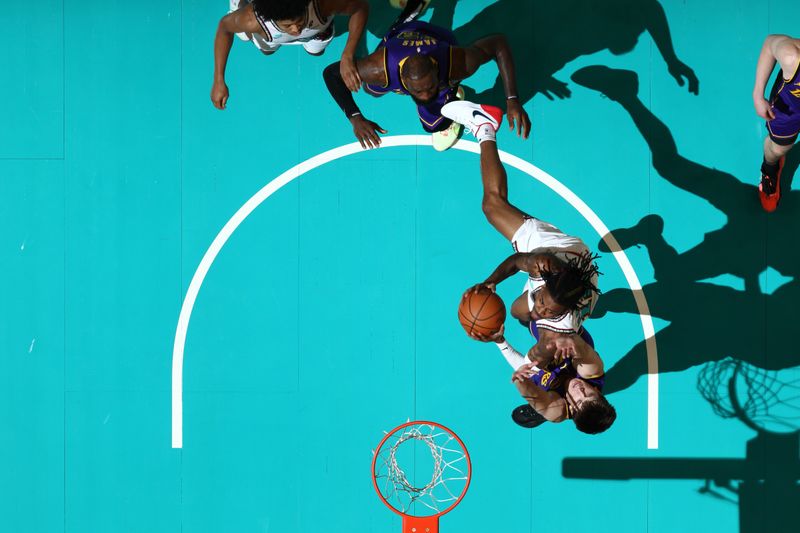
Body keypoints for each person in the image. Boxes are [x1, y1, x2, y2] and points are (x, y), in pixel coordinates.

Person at [440, 100, 600, 361]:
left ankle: (531, 318)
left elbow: (524, 368)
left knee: (517, 312)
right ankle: (485, 125)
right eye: (541, 301)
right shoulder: (543, 262)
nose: (539, 308)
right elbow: (517, 261)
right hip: (567, 251)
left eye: (543, 308)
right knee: (492, 206)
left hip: (575, 287)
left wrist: (500, 341)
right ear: (544, 277)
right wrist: (491, 281)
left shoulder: (562, 320)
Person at [322, 0, 530, 151]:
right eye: (418, 90)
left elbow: (497, 44)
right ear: (402, 80)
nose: (424, 95)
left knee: (433, 125)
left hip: (439, 39)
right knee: (369, 89)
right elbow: (331, 74)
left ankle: (455, 99)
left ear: (436, 72)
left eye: (430, 86)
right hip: (398, 41)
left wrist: (512, 99)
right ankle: (408, 15)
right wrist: (355, 117)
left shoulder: (456, 64)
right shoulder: (377, 69)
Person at [211, 0, 369, 110]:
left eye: (299, 21)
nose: (295, 30)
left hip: (317, 31)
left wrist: (347, 55)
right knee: (267, 51)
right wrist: (219, 79)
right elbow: (224, 28)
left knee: (316, 52)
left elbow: (360, 7)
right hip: (266, 31)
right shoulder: (252, 20)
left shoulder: (322, 5)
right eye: (287, 25)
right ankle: (238, 4)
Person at [490, 325, 616, 434]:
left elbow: (525, 371)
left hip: (552, 400)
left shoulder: (557, 409)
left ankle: (541, 408)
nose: (580, 390)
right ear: (597, 391)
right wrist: (570, 339)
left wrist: (500, 342)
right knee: (551, 342)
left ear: (572, 408)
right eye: (589, 394)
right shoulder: (591, 370)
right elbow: (577, 347)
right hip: (571, 340)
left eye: (578, 401)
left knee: (549, 409)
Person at [753, 34, 800, 212]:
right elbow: (770, 44)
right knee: (778, 148)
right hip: (790, 109)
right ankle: (770, 167)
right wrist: (758, 95)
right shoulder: (792, 56)